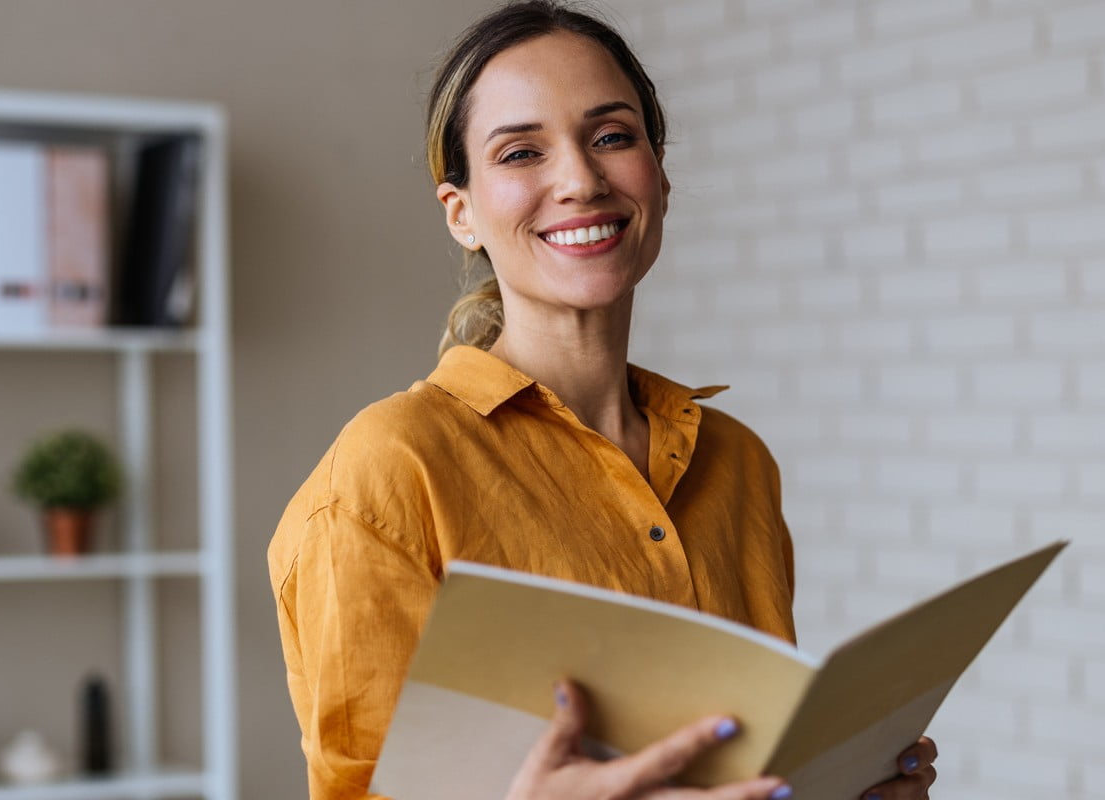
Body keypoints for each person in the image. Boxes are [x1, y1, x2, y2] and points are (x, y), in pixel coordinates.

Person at [269, 2, 939, 798]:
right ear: (463, 213)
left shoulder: (739, 463)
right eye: (521, 152)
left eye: (613, 137)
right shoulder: (388, 474)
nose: (581, 180)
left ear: (659, 173)